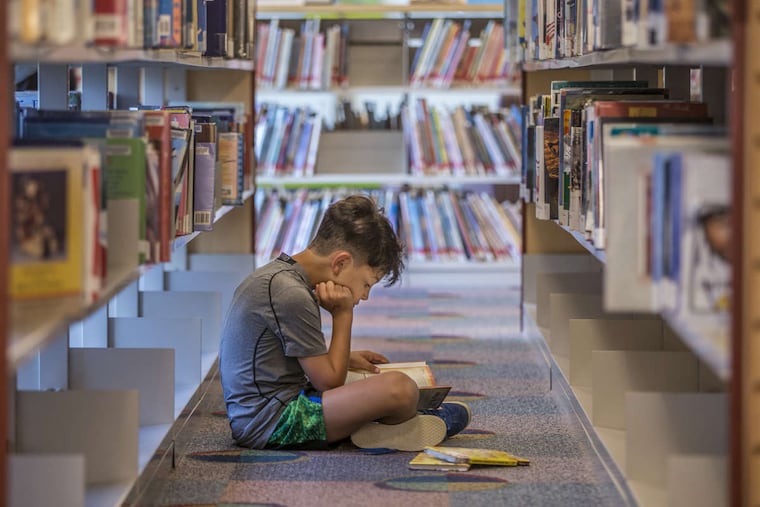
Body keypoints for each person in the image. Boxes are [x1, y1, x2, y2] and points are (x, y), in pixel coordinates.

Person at [219, 194, 470, 451]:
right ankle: (404, 424)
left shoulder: (282, 276)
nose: (364, 296)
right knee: (400, 388)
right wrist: (343, 315)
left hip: (271, 407)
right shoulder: (289, 294)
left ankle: (380, 425)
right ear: (341, 263)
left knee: (372, 380)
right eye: (366, 284)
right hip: (273, 422)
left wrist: (345, 358)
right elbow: (328, 382)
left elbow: (286, 356)